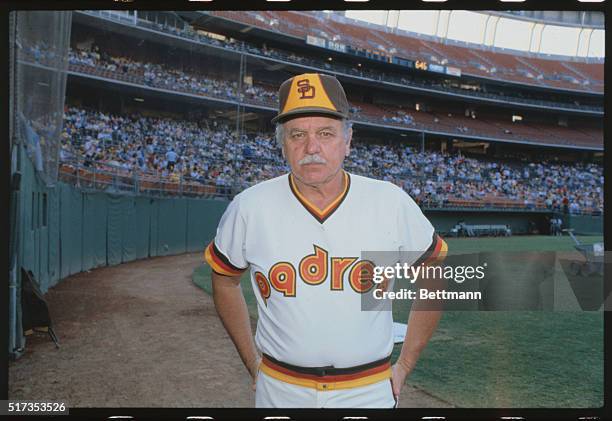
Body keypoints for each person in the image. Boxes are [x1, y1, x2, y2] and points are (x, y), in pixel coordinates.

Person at [204, 73, 447, 408]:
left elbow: (433, 273)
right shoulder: (250, 206)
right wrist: (251, 362)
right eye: (297, 134)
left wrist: (404, 365)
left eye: (325, 133)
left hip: (367, 390)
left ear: (347, 141)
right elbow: (225, 279)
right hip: (280, 389)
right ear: (283, 144)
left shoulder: (389, 202)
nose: (311, 147)